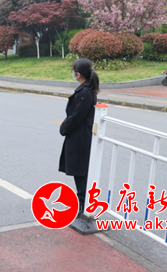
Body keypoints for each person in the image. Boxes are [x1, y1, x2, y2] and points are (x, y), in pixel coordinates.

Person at [59, 58, 99, 216]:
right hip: (80, 136)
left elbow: (77, 116)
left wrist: (64, 127)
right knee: (80, 171)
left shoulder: (85, 92)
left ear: (78, 74)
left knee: (80, 171)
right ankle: (83, 205)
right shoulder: (87, 89)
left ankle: (83, 206)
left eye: (73, 71)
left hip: (80, 137)